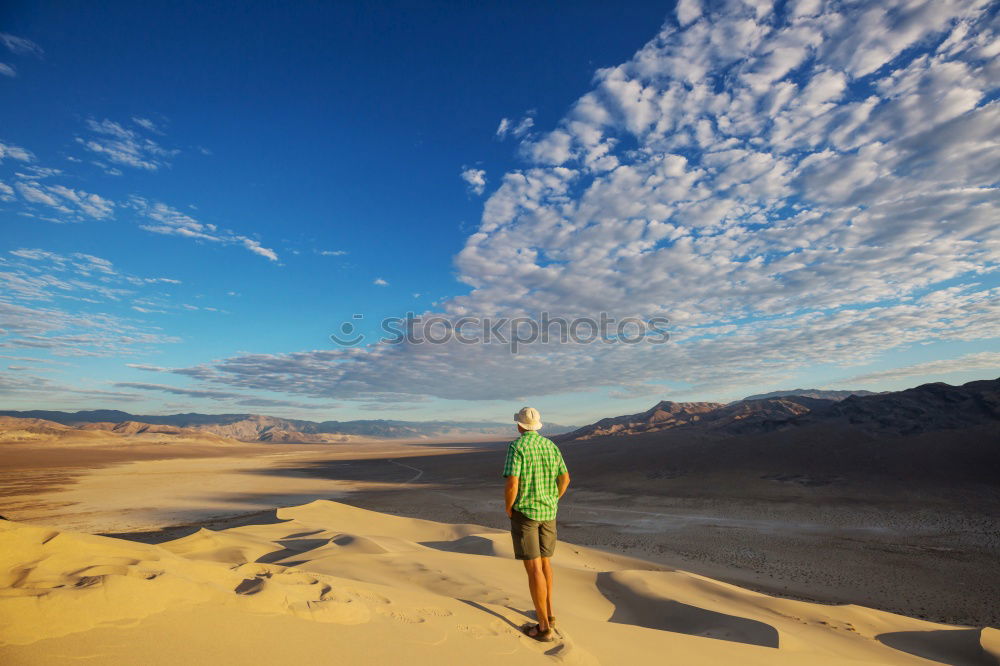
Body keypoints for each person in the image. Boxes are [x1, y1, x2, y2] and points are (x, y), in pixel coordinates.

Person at [502, 406, 570, 642]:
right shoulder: (550, 446)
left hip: (526, 514)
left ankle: (543, 628)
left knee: (534, 570)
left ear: (519, 425)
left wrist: (509, 507)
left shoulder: (517, 447)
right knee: (546, 565)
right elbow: (565, 478)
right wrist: (553, 499)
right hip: (548, 513)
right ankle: (549, 615)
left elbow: (512, 482)